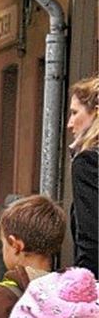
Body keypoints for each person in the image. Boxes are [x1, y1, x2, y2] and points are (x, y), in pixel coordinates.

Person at [68, 77, 98, 277]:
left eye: (74, 113)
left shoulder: (88, 163)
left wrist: (81, 285)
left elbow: (92, 238)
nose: (70, 123)